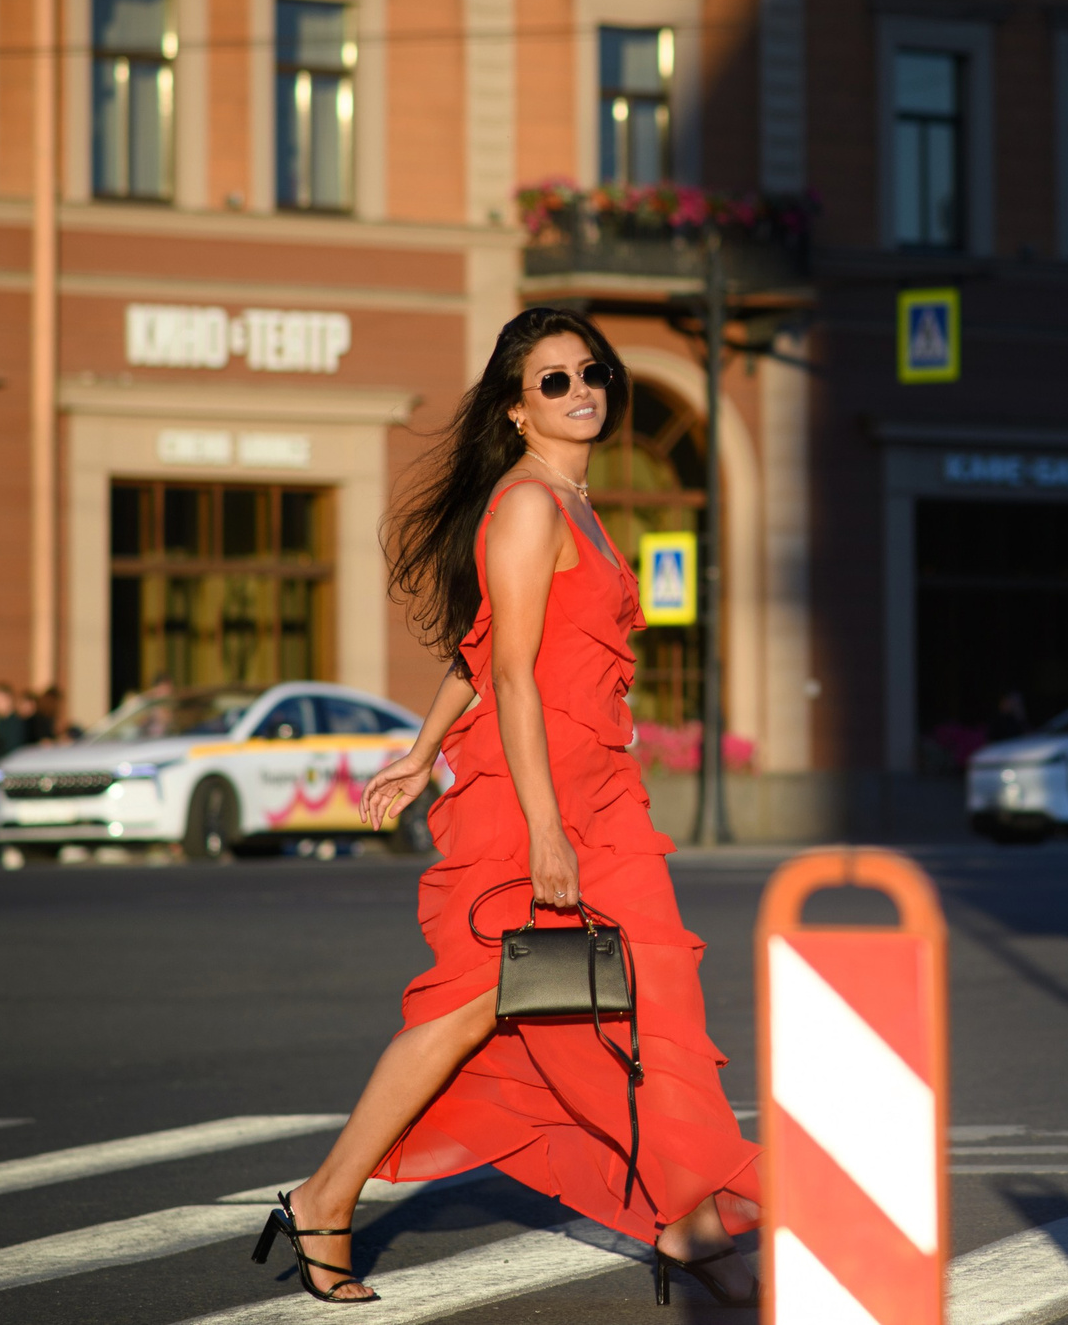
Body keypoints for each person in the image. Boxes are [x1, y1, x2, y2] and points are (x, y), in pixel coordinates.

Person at [259, 309, 761, 1307]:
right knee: (472, 1009)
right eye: (553, 381)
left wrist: (411, 753)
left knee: (628, 1000)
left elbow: (483, 646)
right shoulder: (527, 504)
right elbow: (517, 681)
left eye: (592, 373)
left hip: (599, 791)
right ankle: (326, 1195)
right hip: (540, 797)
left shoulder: (574, 505)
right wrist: (543, 831)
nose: (582, 391)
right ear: (516, 409)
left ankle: (688, 1211)